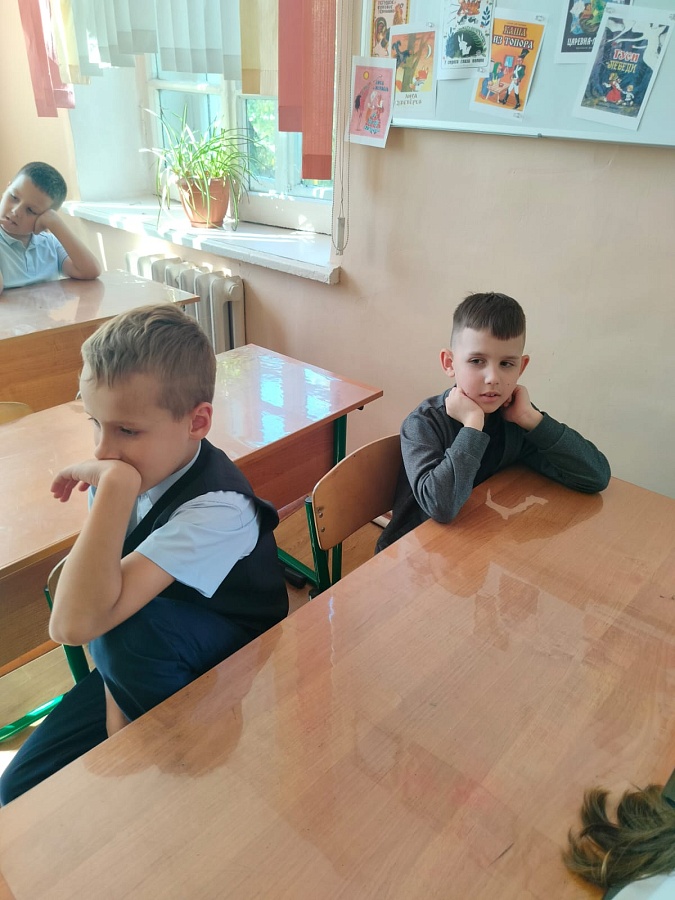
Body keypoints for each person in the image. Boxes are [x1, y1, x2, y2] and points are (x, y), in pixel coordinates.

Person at [0, 304, 288, 804]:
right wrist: (115, 701)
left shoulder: (219, 509)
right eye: (96, 423)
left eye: (127, 430)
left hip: (232, 652)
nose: (102, 451)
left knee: (123, 636)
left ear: (197, 421)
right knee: (16, 793)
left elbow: (74, 626)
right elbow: (88, 614)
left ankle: (174, 761)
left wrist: (119, 729)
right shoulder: (125, 470)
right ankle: (146, 737)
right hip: (144, 650)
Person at [376, 291, 610, 552]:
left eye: (506, 364)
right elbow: (441, 507)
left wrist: (532, 419)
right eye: (477, 361)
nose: (493, 378)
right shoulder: (424, 423)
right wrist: (472, 425)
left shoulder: (515, 417)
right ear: (449, 363)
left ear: (521, 367)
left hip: (476, 545)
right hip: (412, 556)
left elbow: (595, 477)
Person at [0, 160, 101, 295]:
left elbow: (90, 271)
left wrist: (56, 224)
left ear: (44, 217)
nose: (16, 211)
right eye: (13, 197)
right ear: (6, 189)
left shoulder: (49, 243)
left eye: (31, 210)